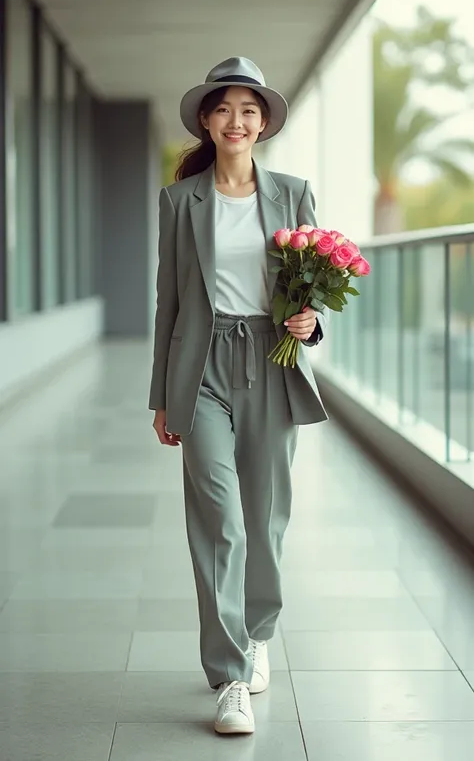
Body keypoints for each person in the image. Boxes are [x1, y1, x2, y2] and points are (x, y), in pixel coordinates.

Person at [149, 56, 328, 736]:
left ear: (264, 123)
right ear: (205, 118)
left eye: (248, 110)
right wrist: (161, 396)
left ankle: (258, 637)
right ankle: (229, 676)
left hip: (273, 361)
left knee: (266, 515)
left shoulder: (292, 192)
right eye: (224, 109)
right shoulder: (179, 201)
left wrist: (311, 323)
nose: (236, 121)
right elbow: (168, 300)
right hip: (201, 370)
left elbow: (314, 283)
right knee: (218, 520)